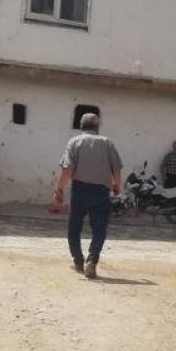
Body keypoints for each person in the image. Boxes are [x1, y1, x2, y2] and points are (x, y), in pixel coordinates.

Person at [51, 113, 122, 279]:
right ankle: (92, 259)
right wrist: (116, 186)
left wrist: (59, 190)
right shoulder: (107, 143)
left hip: (80, 190)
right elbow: (116, 169)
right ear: (97, 127)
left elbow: (67, 169)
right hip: (101, 192)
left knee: (74, 228)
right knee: (99, 229)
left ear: (81, 126)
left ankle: (78, 260)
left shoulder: (74, 142)